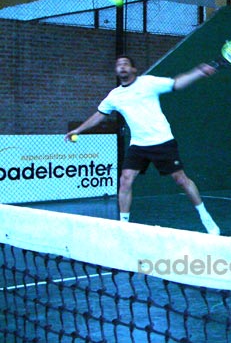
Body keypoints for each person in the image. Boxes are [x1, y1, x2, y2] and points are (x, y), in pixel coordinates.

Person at [64, 55, 220, 235]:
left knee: (181, 180)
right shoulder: (114, 96)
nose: (122, 67)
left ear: (133, 69)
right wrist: (78, 130)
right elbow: (99, 114)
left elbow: (176, 83)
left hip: (162, 141)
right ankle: (124, 226)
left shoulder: (148, 83)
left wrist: (198, 72)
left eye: (125, 64)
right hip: (138, 145)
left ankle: (205, 217)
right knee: (125, 180)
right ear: (116, 71)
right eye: (119, 65)